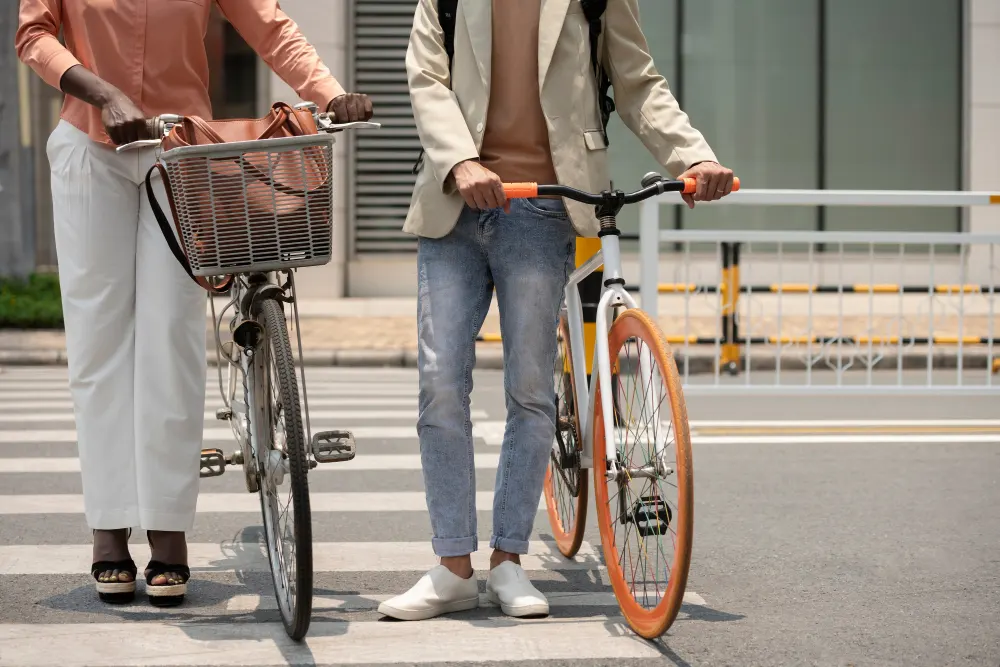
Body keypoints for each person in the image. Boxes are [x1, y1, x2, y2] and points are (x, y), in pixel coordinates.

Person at [378, 0, 734, 621]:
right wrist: (461, 161)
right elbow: (426, 79)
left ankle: (509, 560)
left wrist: (692, 155)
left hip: (545, 206)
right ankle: (452, 568)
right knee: (438, 385)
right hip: (453, 208)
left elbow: (638, 81)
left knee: (532, 391)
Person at [15, 0, 372, 606]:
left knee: (172, 339)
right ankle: (108, 529)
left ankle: (167, 530)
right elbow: (34, 35)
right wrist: (104, 94)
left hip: (179, 153)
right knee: (99, 345)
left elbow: (268, 24)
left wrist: (330, 91)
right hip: (87, 148)